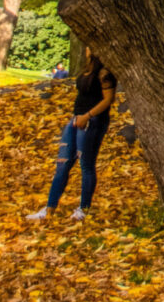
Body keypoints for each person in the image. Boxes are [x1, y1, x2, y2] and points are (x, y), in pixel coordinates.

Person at [26, 49, 116, 222]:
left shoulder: (104, 72)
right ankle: (50, 207)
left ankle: (83, 208)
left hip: (92, 121)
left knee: (86, 165)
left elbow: (108, 99)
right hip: (76, 118)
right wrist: (78, 117)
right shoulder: (86, 68)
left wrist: (88, 116)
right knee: (63, 163)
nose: (87, 49)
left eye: (90, 46)